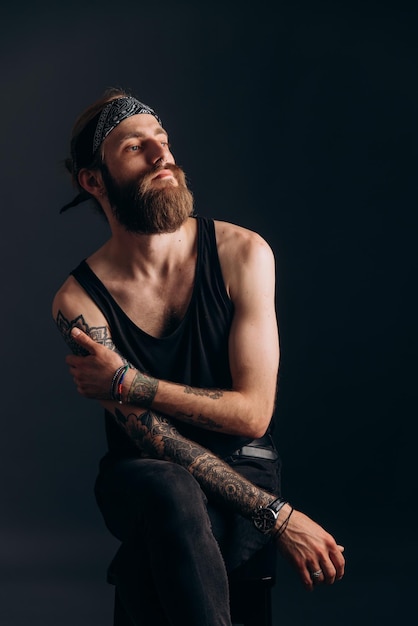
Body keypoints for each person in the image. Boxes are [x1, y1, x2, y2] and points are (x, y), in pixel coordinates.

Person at [52, 88, 345, 626]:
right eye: (135, 147)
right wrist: (277, 518)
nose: (162, 155)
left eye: (162, 140)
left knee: (158, 561)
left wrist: (127, 382)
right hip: (145, 476)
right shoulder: (79, 301)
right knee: (170, 488)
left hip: (245, 467)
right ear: (93, 181)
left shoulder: (243, 254)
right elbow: (152, 439)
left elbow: (253, 415)